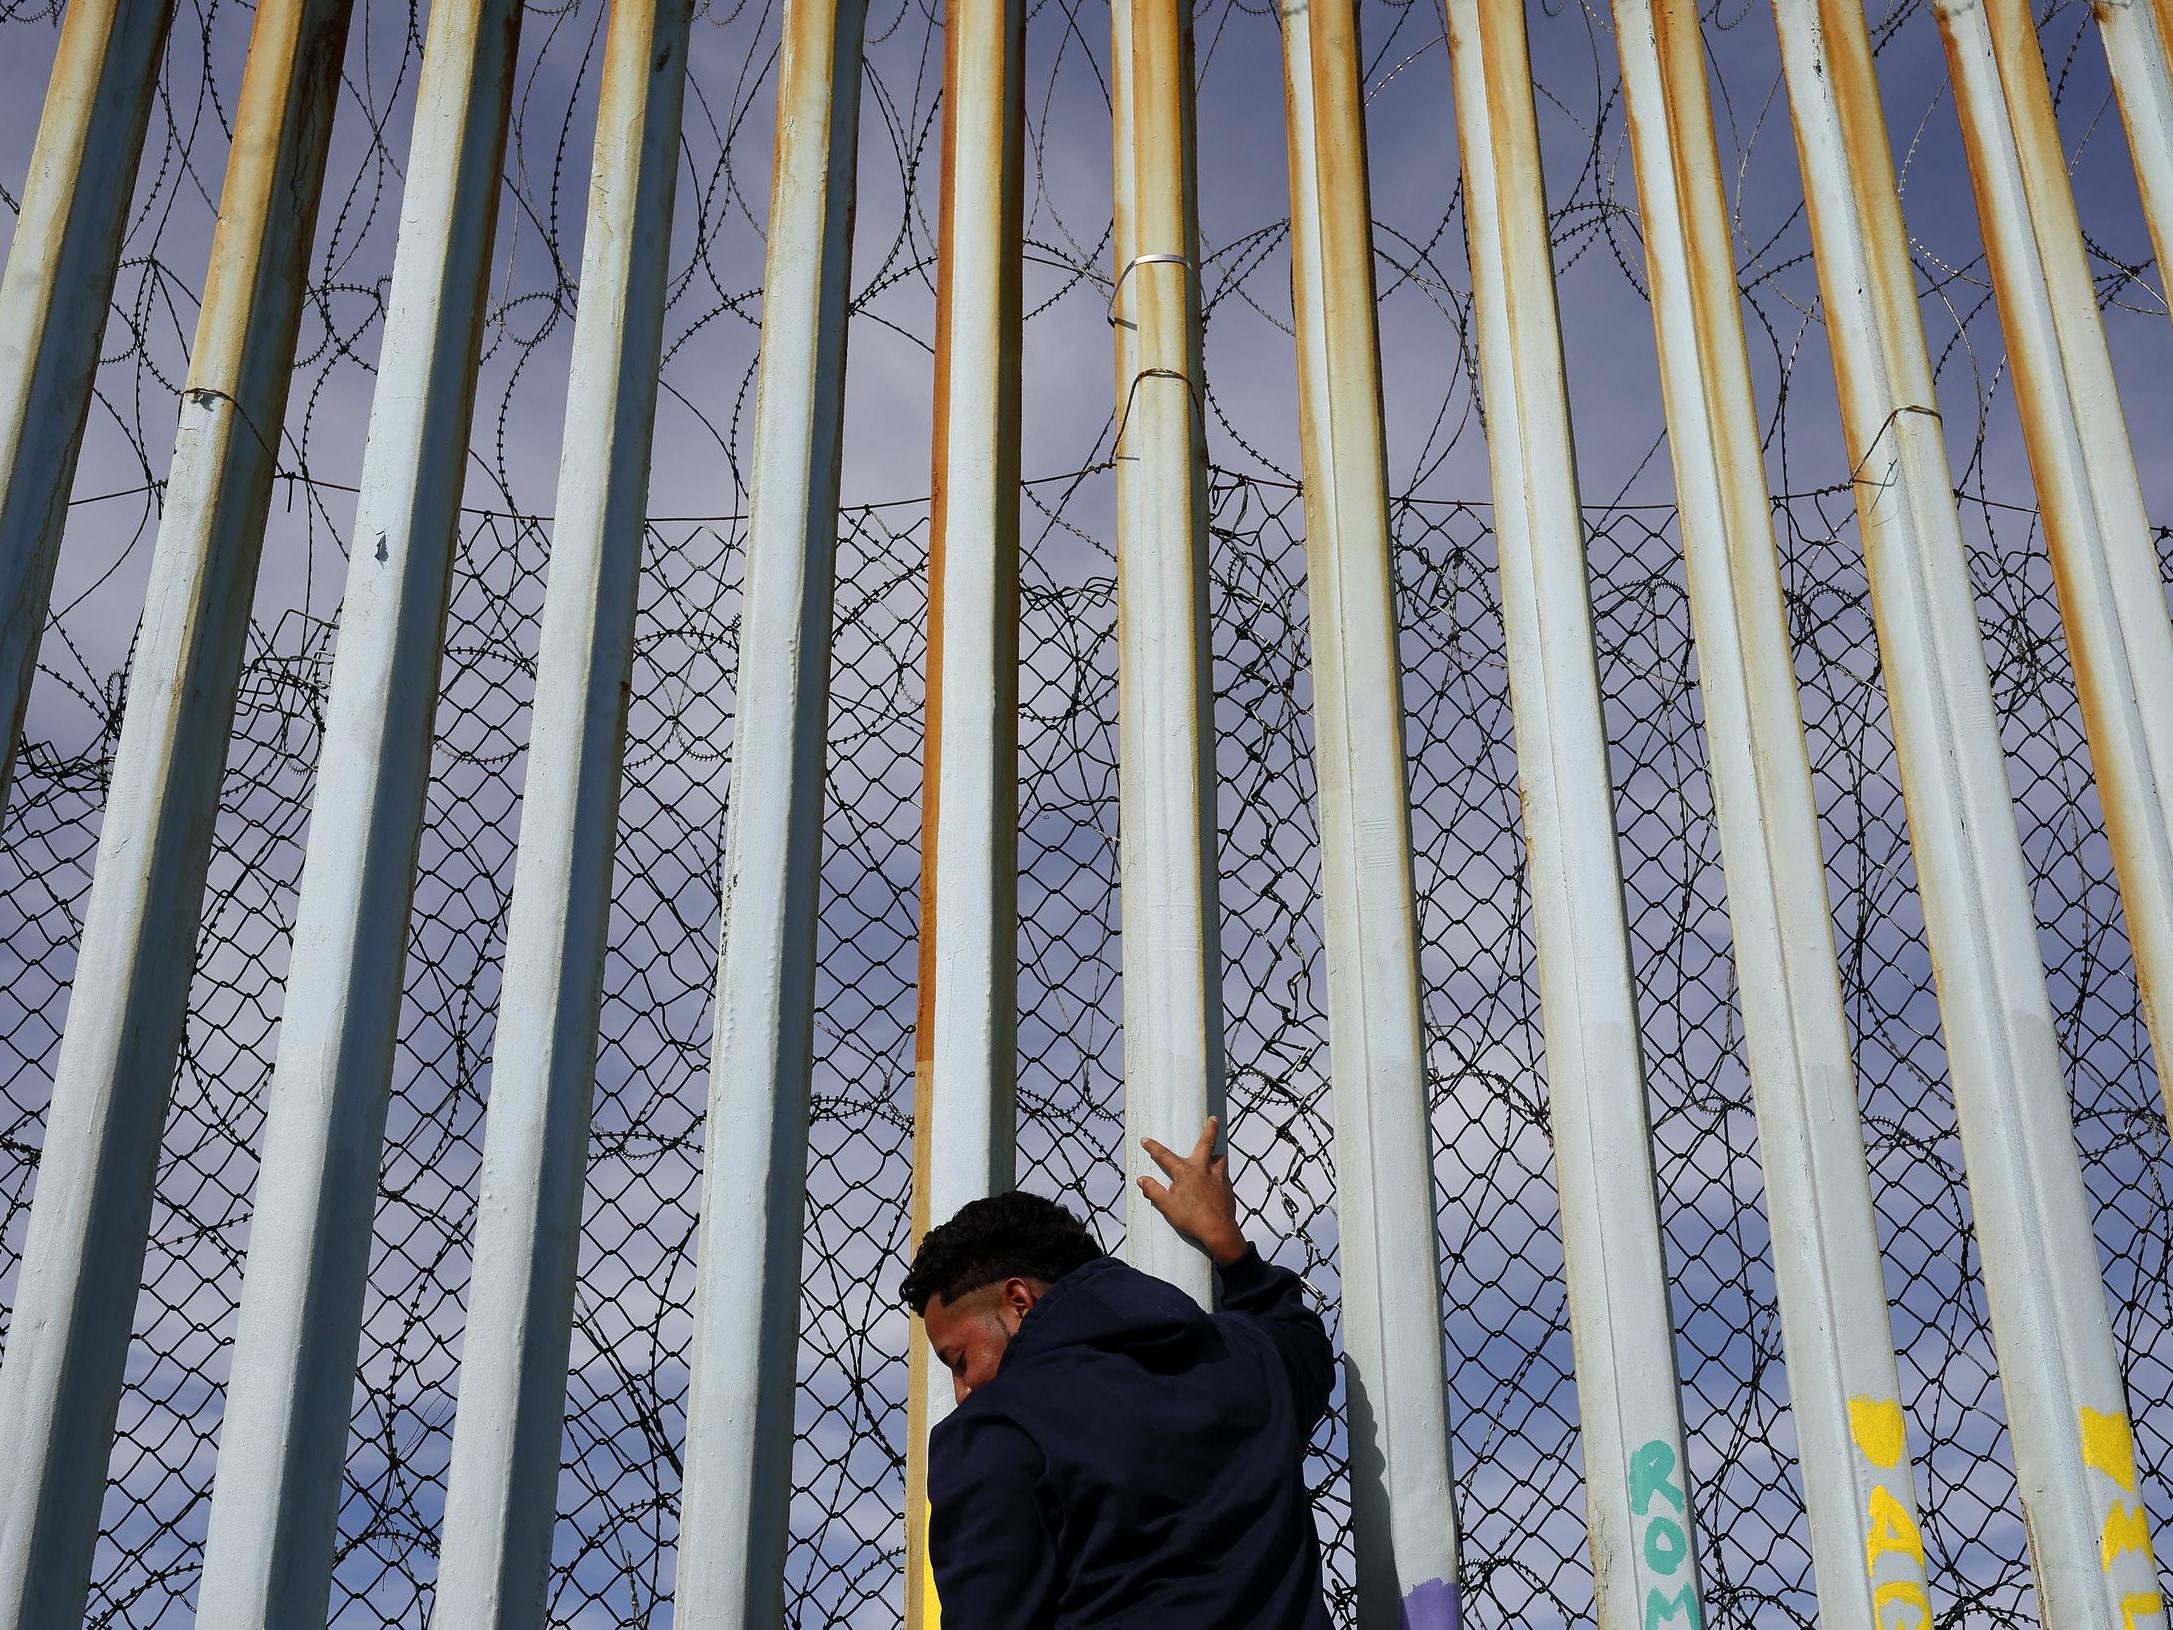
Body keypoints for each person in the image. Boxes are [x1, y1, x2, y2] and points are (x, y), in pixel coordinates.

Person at [901, 1117, 1334, 1628]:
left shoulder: (996, 1431)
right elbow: (1302, 1344)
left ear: (1018, 1301)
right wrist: (1225, 1241)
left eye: (960, 1360)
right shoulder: (1242, 1360)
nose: (962, 1391)